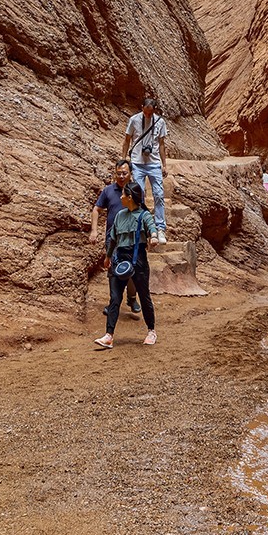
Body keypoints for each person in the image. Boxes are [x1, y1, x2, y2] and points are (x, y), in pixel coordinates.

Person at [95, 181, 159, 347]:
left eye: (123, 195)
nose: (121, 197)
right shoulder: (120, 216)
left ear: (130, 198)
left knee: (144, 296)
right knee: (115, 297)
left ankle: (151, 331)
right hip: (120, 258)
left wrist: (153, 237)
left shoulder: (143, 215)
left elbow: (152, 227)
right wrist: (108, 257)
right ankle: (109, 335)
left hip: (138, 259)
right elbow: (113, 239)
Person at [90, 158, 143, 316]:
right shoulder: (108, 191)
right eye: (118, 173)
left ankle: (132, 298)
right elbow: (96, 210)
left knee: (132, 270)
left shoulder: (135, 189)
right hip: (112, 239)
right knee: (114, 271)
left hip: (132, 238)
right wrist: (94, 230)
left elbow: (143, 213)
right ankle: (114, 303)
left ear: (130, 173)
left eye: (124, 173)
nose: (121, 176)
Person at [123, 95, 168, 242]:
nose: (147, 115)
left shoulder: (160, 122)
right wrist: (124, 159)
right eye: (145, 112)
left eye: (150, 113)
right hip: (137, 162)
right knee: (138, 195)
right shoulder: (134, 120)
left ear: (154, 110)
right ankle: (143, 226)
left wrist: (164, 164)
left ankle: (160, 228)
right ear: (142, 108)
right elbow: (127, 139)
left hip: (154, 163)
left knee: (159, 195)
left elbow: (161, 144)